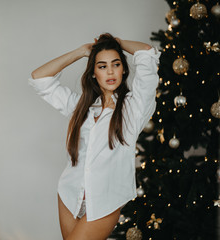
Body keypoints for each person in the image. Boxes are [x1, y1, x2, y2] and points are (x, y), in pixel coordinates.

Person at [29, 33, 160, 240]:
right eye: (101, 66)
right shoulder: (81, 107)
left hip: (105, 200)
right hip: (69, 193)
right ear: (93, 73)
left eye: (115, 64)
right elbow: (39, 78)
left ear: (123, 69)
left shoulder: (134, 108)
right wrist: (81, 52)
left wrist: (116, 43)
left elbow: (147, 53)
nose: (110, 71)